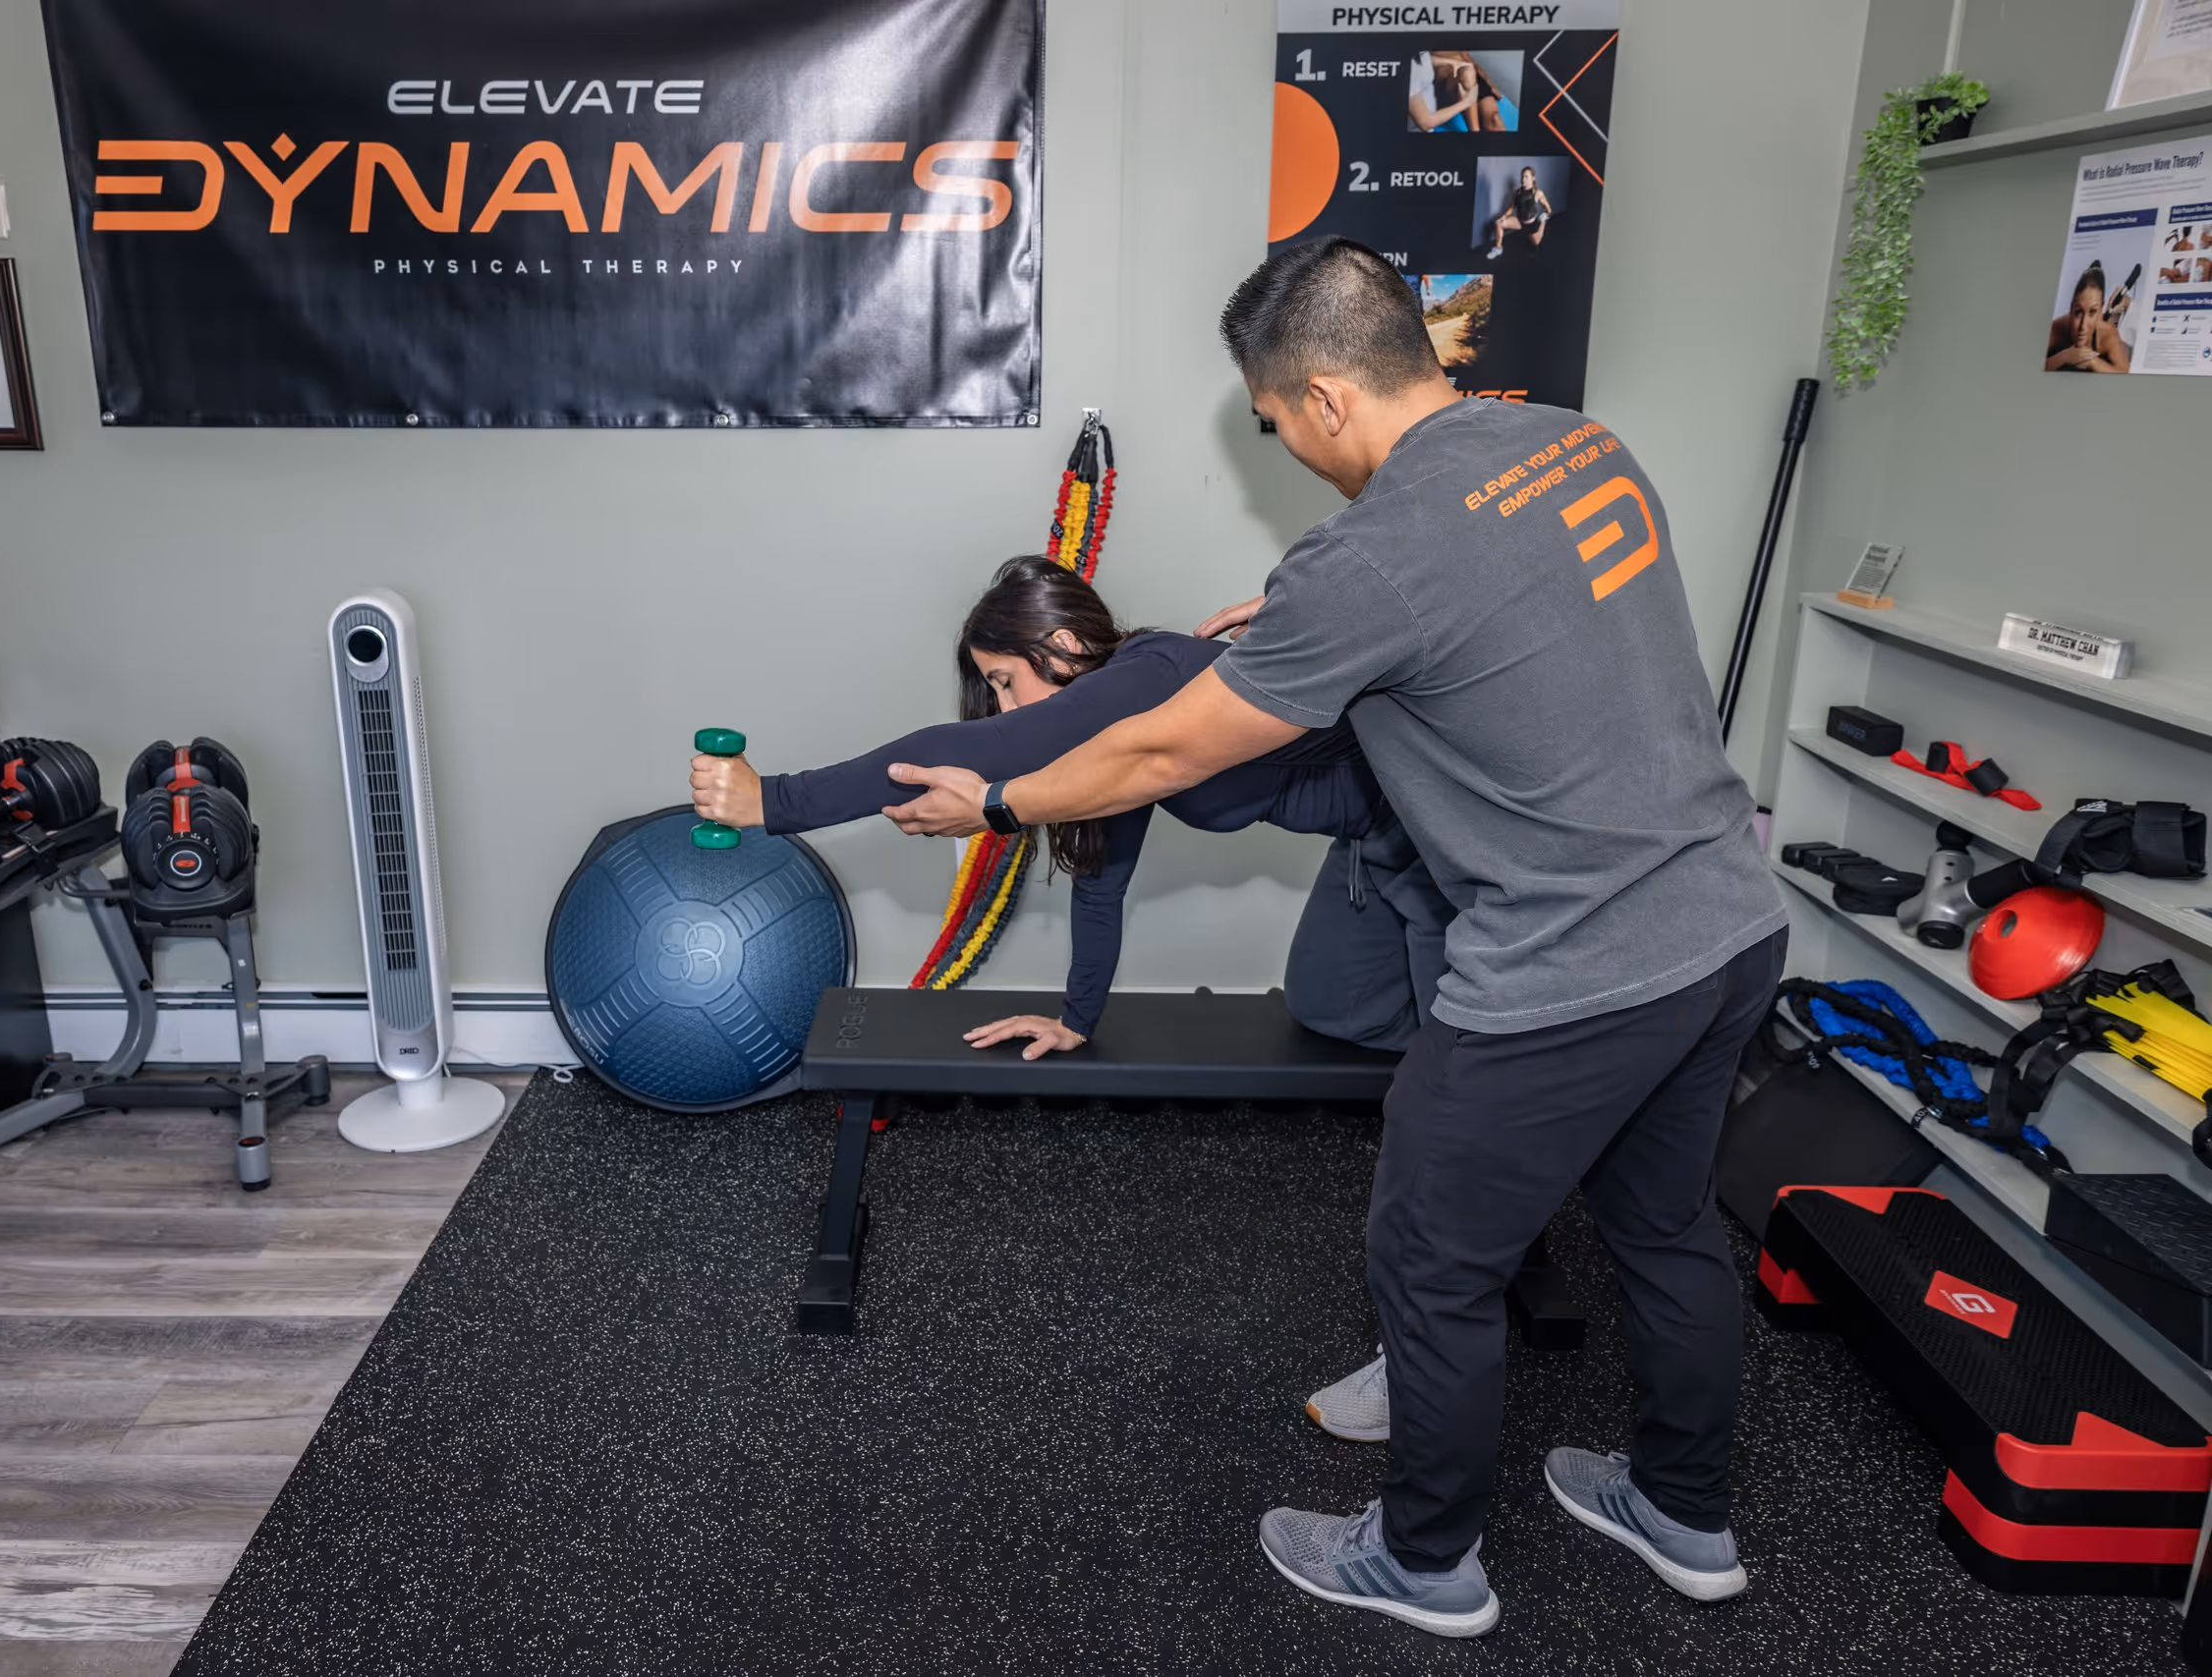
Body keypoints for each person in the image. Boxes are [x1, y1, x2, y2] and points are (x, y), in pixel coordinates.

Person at [877, 238, 1787, 1639]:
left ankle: (1423, 1563)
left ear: (1322, 397)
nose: (1286, 448)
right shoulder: (1573, 442)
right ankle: (1683, 1509)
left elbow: (1161, 752)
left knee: (1430, 1260)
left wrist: (992, 797)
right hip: (1729, 921)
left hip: (1568, 969)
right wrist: (1307, 622)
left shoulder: (1369, 556)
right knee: (1665, 1227)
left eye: (1272, 421)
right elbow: (1505, 615)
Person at [688, 555, 1449, 1058]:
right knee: (1332, 1011)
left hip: (1438, 833)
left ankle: (1490, 1125)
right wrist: (1076, 1020)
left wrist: (772, 800)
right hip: (1370, 850)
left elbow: (972, 749)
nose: (1003, 706)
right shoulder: (1127, 742)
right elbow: (1101, 883)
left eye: (1005, 680)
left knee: (1454, 1062)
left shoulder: (1149, 675)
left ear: (1061, 644)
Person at [2045, 260, 2131, 372]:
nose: (2083, 326)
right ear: (2071, 308)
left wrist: (2092, 362)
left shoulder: (2108, 334)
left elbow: (2124, 372)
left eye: (2092, 312)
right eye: (2078, 312)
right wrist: (2065, 357)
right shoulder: (2057, 328)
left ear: (2100, 310)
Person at [1486, 166, 1550, 259]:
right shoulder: (1518, 192)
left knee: (1536, 243)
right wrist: (1504, 216)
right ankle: (1498, 249)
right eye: (1522, 176)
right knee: (1498, 223)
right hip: (1519, 222)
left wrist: (1545, 215)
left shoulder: (1538, 193)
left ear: (1533, 178)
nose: (1523, 179)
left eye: (1526, 176)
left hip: (1532, 225)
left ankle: (1542, 223)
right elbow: (1512, 208)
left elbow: (1548, 209)